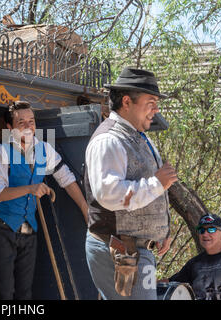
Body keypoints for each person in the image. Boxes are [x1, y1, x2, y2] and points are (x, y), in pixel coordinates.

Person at [84, 67, 177, 300]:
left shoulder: (136, 136)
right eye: (151, 101)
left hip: (132, 249)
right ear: (127, 101)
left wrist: (160, 229)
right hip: (120, 249)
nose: (156, 109)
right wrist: (157, 183)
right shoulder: (109, 140)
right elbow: (109, 194)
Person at [0, 100, 88, 300]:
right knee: (3, 293)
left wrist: (84, 208)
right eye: (21, 122)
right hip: (0, 229)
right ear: (9, 128)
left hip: (29, 231)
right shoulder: (0, 151)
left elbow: (66, 178)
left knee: (24, 294)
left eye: (31, 121)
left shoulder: (44, 150)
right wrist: (30, 188)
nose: (28, 126)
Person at [169, 214, 221, 300]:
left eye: (211, 229)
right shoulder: (194, 264)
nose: (205, 234)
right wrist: (144, 285)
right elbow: (169, 283)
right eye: (201, 230)